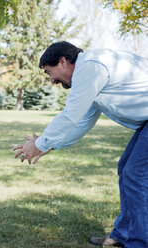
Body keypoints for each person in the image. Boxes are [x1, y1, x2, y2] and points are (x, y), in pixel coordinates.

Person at [12, 41, 148, 247]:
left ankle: (139, 242)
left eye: (50, 72)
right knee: (126, 168)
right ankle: (123, 235)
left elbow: (70, 115)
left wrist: (40, 143)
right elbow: (82, 121)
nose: (51, 80)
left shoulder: (90, 68)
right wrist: (51, 145)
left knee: (135, 173)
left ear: (63, 61)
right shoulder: (91, 74)